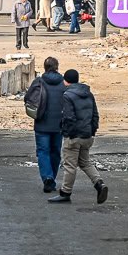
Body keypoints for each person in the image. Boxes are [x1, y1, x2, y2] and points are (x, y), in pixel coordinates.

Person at [50, 69, 108, 205]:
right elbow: (95, 115)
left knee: (70, 165)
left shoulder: (67, 95)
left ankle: (65, 193)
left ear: (65, 81)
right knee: (85, 162)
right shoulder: (88, 94)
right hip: (87, 135)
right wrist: (92, 131)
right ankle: (99, 184)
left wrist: (67, 133)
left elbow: (68, 117)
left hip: (74, 136)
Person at [31, 56, 67, 193]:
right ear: (57, 67)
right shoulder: (63, 83)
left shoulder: (38, 82)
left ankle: (48, 178)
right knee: (55, 152)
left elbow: (28, 98)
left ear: (45, 67)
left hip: (41, 124)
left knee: (42, 151)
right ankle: (51, 177)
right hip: (59, 125)